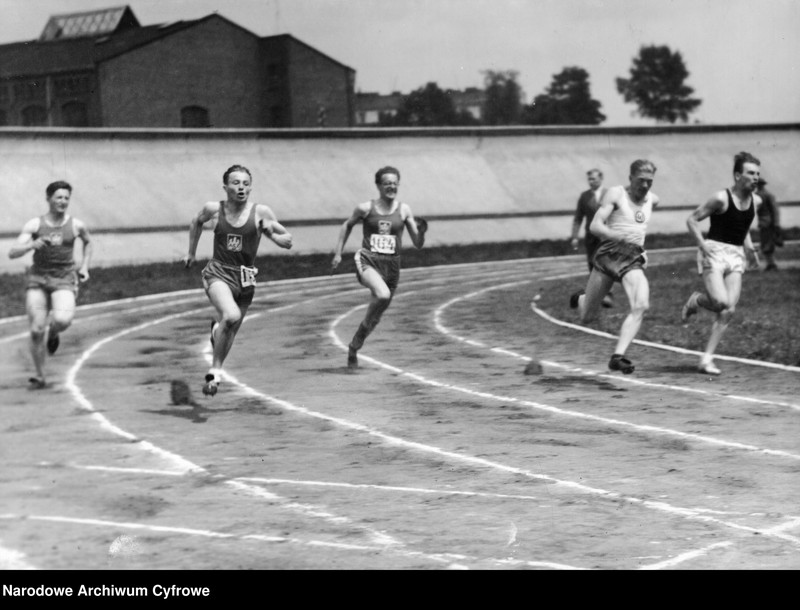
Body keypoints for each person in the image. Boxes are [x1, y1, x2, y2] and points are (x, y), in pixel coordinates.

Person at [183, 164, 293, 396]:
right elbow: (196, 222)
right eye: (235, 183)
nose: (241, 187)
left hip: (246, 280)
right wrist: (191, 252)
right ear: (225, 187)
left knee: (230, 330)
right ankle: (214, 366)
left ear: (250, 188)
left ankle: (215, 374)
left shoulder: (262, 212)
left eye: (245, 183)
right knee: (231, 316)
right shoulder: (214, 208)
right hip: (218, 274)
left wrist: (272, 234)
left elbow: (287, 239)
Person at [568, 159, 660, 375]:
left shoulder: (653, 200)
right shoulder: (616, 194)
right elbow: (595, 225)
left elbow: (645, 214)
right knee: (586, 317)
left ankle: (618, 356)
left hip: (632, 259)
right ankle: (581, 298)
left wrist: (636, 243)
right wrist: (616, 235)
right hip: (608, 254)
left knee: (641, 304)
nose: (645, 186)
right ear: (630, 178)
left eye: (649, 181)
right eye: (640, 181)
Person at [331, 166, 427, 368]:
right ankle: (358, 338)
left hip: (392, 267)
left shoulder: (404, 210)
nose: (391, 186)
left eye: (394, 183)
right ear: (378, 186)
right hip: (368, 260)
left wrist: (422, 232)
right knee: (382, 295)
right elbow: (347, 225)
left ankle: (354, 347)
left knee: (374, 319)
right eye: (386, 183)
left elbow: (417, 243)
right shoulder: (365, 208)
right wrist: (338, 253)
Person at [680, 151, 762, 376]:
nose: (755, 177)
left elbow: (742, 226)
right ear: (737, 175)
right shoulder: (721, 198)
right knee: (720, 301)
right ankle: (696, 300)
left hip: (735, 255)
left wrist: (750, 247)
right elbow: (692, 220)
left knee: (728, 310)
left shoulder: (756, 201)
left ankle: (706, 359)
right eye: (750, 173)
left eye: (757, 174)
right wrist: (701, 244)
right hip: (713, 251)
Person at [8, 180, 92, 389]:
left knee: (63, 319)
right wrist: (31, 245)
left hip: (63, 279)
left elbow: (88, 242)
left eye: (66, 198)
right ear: (49, 199)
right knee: (36, 329)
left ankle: (54, 333)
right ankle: (39, 376)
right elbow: (12, 252)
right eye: (58, 197)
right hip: (38, 280)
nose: (63, 201)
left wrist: (84, 267)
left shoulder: (76, 225)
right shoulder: (35, 224)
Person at [569, 168, 613, 308]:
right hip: (590, 237)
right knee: (592, 264)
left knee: (605, 263)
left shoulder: (610, 195)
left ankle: (607, 295)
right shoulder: (584, 196)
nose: (591, 181)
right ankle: (595, 295)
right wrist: (575, 237)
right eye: (589, 179)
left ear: (601, 179)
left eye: (593, 179)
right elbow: (578, 217)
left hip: (606, 235)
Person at [755, 177, 783, 271]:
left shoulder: (767, 195)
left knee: (767, 244)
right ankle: (771, 264)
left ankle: (772, 264)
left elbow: (775, 210)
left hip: (768, 224)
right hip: (765, 223)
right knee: (766, 243)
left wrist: (776, 224)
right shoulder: (758, 195)